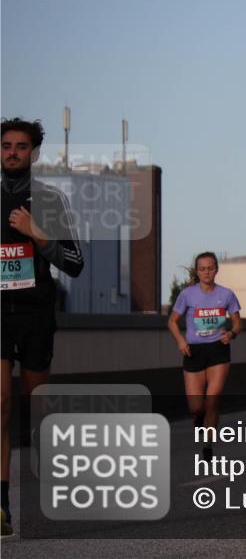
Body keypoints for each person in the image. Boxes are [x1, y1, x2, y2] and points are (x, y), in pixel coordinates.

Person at [1, 118, 84, 537]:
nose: (12, 153)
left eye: (21, 147)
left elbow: (75, 263)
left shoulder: (50, 200)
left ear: (33, 153)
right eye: (6, 146)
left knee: (35, 406)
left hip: (36, 313)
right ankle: (2, 507)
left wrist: (37, 234)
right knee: (0, 404)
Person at [168, 252, 242, 460]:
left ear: (216, 270)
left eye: (210, 268)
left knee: (213, 400)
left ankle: (208, 444)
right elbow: (172, 321)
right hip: (194, 351)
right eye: (202, 269)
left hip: (218, 349)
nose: (206, 272)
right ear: (197, 272)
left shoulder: (226, 294)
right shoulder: (187, 295)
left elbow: (238, 323)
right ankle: (198, 417)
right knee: (196, 406)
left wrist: (231, 334)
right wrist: (181, 341)